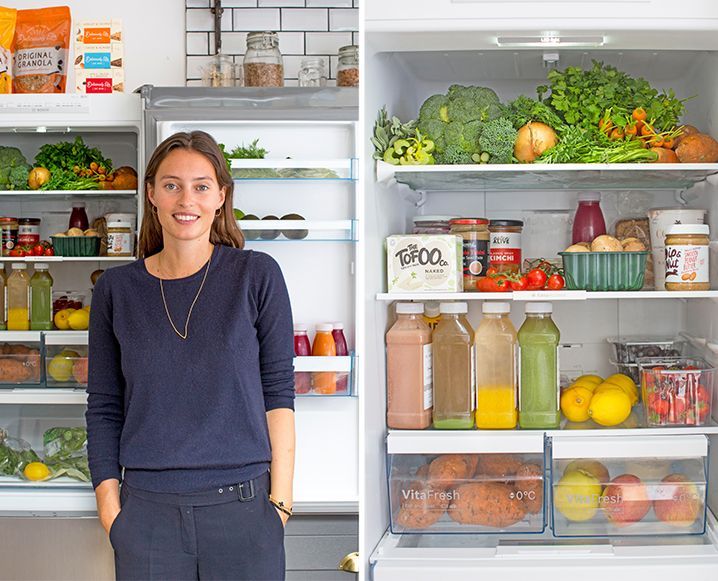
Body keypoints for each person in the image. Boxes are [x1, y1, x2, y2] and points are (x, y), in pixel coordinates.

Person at [86, 130, 295, 580]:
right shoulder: (115, 290)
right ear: (151, 194)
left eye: (201, 186)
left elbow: (279, 394)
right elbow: (104, 407)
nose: (187, 199)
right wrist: (112, 512)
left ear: (221, 195)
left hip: (245, 513)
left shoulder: (256, 275)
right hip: (146, 516)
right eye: (172, 184)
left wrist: (280, 504)